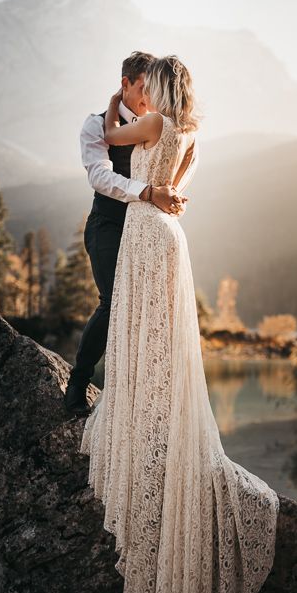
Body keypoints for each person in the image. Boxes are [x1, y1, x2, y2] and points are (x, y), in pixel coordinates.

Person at [79, 54, 280, 593]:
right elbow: (177, 188)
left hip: (141, 233)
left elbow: (108, 141)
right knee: (162, 335)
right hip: (172, 234)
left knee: (140, 335)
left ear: (157, 88)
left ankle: (140, 411)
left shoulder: (152, 119)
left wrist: (115, 105)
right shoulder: (190, 131)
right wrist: (158, 183)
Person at [65, 51, 195, 415]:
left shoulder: (155, 123)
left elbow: (184, 163)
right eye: (143, 88)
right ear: (126, 84)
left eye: (153, 89)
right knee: (113, 302)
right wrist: (150, 193)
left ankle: (137, 401)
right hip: (107, 225)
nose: (148, 96)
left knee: (147, 314)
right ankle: (78, 383)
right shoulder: (95, 125)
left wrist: (172, 194)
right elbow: (99, 177)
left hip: (146, 231)